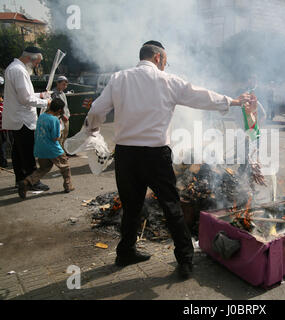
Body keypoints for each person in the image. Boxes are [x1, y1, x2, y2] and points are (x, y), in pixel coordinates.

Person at [85, 41, 250, 278]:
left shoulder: (119, 78)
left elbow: (97, 110)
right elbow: (201, 97)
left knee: (131, 206)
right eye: (165, 61)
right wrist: (233, 101)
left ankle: (125, 252)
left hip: (126, 155)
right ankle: (184, 261)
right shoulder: (167, 81)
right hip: (155, 155)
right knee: (172, 207)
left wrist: (92, 130)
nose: (165, 65)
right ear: (159, 58)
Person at [2, 47, 51, 191]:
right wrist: (46, 102)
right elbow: (25, 99)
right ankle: (32, 181)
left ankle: (20, 179)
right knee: (28, 152)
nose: (37, 66)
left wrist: (41, 95)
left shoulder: (14, 68)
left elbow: (25, 94)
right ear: (31, 58)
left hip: (17, 118)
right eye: (37, 63)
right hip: (23, 119)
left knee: (18, 151)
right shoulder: (19, 71)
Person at [17, 98, 74, 199]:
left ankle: (27, 182)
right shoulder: (55, 120)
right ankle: (68, 185)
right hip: (53, 150)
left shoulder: (42, 116)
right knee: (65, 167)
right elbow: (55, 138)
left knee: (43, 169)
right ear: (59, 110)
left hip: (40, 149)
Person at [51, 76, 70, 152]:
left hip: (66, 118)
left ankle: (62, 152)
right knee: (60, 137)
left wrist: (68, 114)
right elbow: (56, 108)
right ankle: (59, 154)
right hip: (60, 119)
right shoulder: (54, 93)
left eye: (66, 85)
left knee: (65, 136)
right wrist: (62, 116)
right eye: (63, 84)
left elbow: (65, 106)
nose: (65, 86)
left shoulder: (63, 93)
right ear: (57, 84)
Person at [0, 94, 9, 167]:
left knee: (3, 147)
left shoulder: (4, 106)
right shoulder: (4, 106)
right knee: (3, 147)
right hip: (3, 130)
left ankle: (3, 162)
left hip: (3, 130)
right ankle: (3, 162)